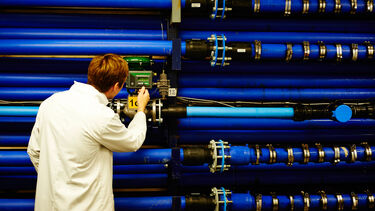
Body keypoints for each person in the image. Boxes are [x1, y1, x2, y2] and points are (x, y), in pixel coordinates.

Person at [27, 53, 150, 211]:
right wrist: (140, 110)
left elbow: (33, 151)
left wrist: (57, 180)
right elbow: (132, 141)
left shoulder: (50, 103)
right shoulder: (102, 116)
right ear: (116, 86)